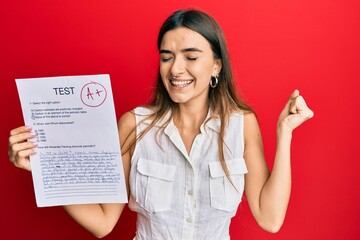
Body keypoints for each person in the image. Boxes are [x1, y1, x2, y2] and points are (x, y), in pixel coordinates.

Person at [8, 9, 314, 240]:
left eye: (191, 57)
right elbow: (103, 222)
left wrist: (284, 133)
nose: (176, 68)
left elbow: (270, 218)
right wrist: (46, 171)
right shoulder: (134, 125)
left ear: (216, 65)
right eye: (166, 57)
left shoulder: (241, 124)